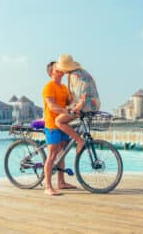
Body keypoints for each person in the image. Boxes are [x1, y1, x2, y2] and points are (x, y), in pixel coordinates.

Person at [42, 61, 76, 196]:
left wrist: (74, 98)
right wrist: (67, 112)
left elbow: (68, 102)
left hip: (61, 123)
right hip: (52, 124)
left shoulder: (63, 87)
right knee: (52, 155)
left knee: (62, 152)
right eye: (57, 68)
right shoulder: (49, 87)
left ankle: (61, 182)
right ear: (52, 72)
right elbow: (51, 106)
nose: (61, 69)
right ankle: (48, 186)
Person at [55, 54, 100, 154]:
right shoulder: (83, 72)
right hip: (94, 104)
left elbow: (82, 94)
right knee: (68, 120)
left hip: (85, 105)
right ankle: (69, 140)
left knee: (59, 121)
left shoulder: (75, 75)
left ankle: (79, 141)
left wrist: (77, 107)